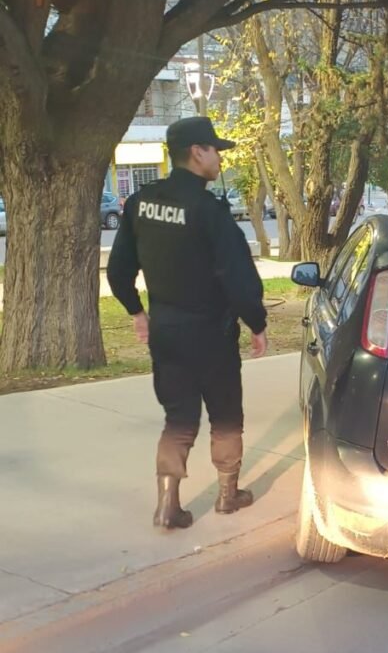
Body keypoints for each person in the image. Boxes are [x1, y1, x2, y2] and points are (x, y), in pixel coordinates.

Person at [107, 116, 268, 530]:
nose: (218, 158)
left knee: (178, 418)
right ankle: (229, 496)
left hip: (168, 333)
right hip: (212, 335)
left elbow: (118, 271)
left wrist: (137, 312)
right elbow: (238, 278)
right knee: (226, 414)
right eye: (215, 149)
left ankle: (168, 505)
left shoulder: (141, 203)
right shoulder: (208, 210)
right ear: (198, 152)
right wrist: (256, 322)